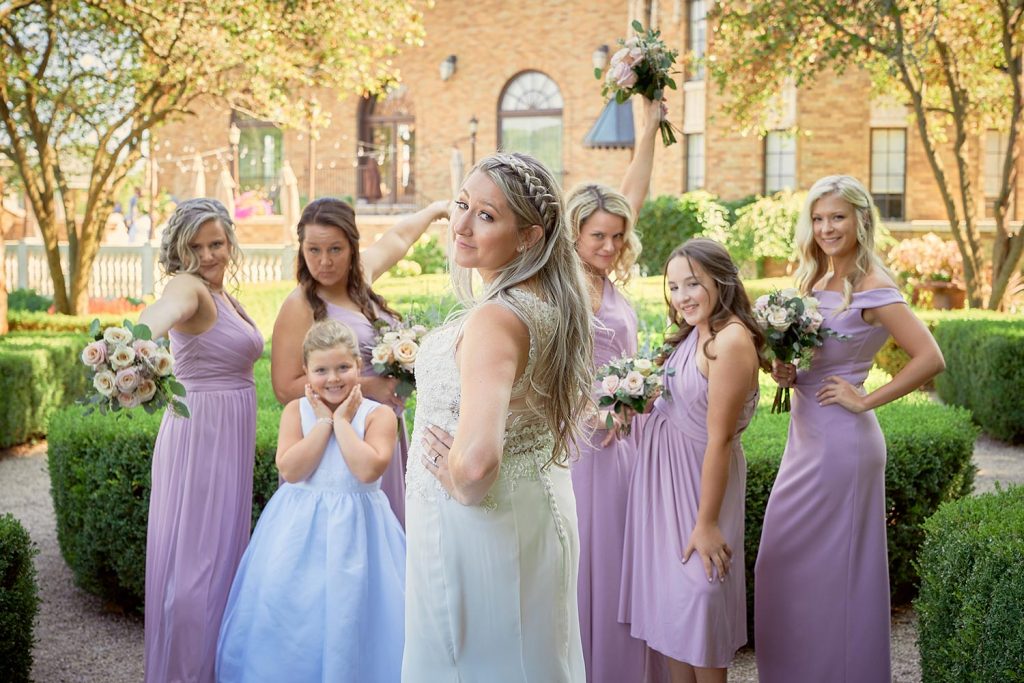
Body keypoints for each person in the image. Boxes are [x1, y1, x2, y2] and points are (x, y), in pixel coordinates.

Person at [403, 152, 594, 682]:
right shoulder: (546, 302)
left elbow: (477, 464)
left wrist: (454, 477)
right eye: (461, 205)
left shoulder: (496, 317)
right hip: (533, 507)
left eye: (486, 216)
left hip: (476, 527)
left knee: (474, 662)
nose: (461, 225)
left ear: (530, 236)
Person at [754, 175, 945, 682]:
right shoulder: (815, 281)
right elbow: (810, 361)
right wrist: (787, 370)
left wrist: (865, 399)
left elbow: (930, 358)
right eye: (818, 218)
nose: (826, 228)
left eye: (837, 217)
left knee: (834, 574)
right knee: (782, 564)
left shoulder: (873, 286)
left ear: (861, 219)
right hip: (805, 437)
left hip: (843, 443)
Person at [217, 319, 405, 682]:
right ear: (306, 371)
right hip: (298, 533)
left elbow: (367, 470)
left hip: (360, 534)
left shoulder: (378, 415)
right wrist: (322, 423)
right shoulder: (297, 412)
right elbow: (291, 469)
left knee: (353, 612)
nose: (333, 378)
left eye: (343, 368)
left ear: (358, 366)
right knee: (295, 615)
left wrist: (343, 422)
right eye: (321, 370)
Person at [620, 238, 767, 683]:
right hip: (661, 488)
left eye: (693, 284)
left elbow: (719, 440)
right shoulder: (692, 334)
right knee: (672, 611)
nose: (682, 296)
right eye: (674, 286)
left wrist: (706, 524)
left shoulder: (731, 341)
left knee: (701, 598)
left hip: (698, 487)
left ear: (720, 282)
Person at [138, 198, 264, 683]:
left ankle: (214, 668)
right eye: (197, 246)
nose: (210, 255)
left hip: (228, 434)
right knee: (194, 570)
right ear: (180, 249)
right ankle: (184, 673)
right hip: (201, 437)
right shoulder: (187, 286)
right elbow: (164, 311)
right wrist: (132, 339)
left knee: (220, 562)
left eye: (217, 243)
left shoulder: (223, 292)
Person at [271, 197, 449, 527]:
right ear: (302, 250)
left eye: (335, 249)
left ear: (352, 247)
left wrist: (436, 209)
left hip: (380, 428)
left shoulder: (360, 282)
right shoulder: (299, 305)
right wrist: (368, 386)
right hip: (339, 442)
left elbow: (397, 239)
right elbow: (284, 388)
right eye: (314, 250)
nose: (324, 261)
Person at [565, 96, 663, 683]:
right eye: (599, 236)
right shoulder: (564, 287)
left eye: (618, 237)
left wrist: (649, 127)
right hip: (579, 445)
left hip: (627, 444)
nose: (609, 246)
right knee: (586, 565)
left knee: (625, 562)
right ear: (574, 233)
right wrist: (592, 411)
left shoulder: (608, 276)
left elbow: (631, 193)